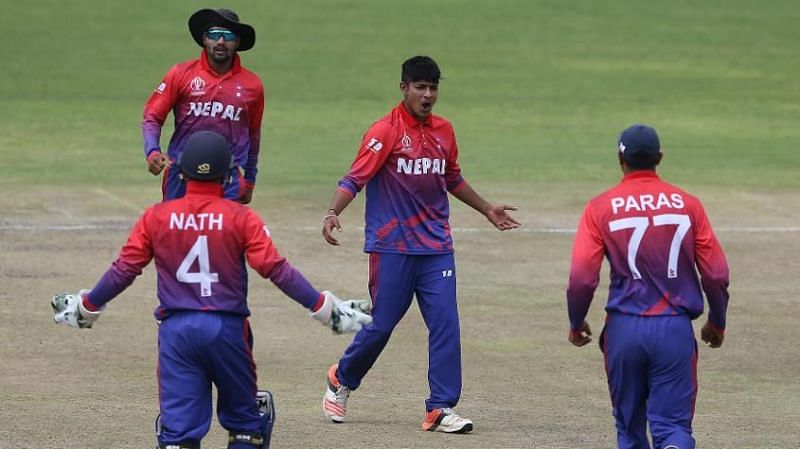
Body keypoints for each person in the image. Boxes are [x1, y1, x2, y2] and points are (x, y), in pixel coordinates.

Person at [51, 131, 372, 449]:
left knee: (178, 436)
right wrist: (325, 309)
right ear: (229, 174)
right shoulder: (241, 218)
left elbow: (124, 270)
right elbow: (276, 269)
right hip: (227, 331)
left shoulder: (156, 218)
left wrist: (86, 307)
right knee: (247, 427)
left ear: (180, 172)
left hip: (176, 334)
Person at [319, 55, 521, 434]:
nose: (428, 95)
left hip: (436, 247)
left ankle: (440, 407)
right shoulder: (385, 131)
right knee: (381, 325)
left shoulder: (444, 131)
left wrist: (486, 209)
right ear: (404, 89)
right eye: (420, 87)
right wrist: (332, 211)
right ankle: (341, 378)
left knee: (446, 323)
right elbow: (354, 179)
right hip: (392, 246)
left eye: (433, 88)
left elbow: (452, 178)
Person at [566, 124, 730, 449]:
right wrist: (717, 321)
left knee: (629, 430)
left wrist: (576, 322)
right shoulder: (688, 204)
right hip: (674, 330)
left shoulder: (600, 207)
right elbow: (716, 274)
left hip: (624, 330)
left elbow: (582, 277)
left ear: (619, 158)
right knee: (673, 428)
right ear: (659, 157)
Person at [142, 8, 264, 203]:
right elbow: (152, 116)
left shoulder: (253, 85)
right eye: (214, 34)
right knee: (178, 232)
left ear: (238, 42)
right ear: (205, 39)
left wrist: (249, 181)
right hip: (181, 173)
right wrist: (152, 151)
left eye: (228, 35)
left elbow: (253, 136)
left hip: (228, 176)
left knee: (223, 233)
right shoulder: (181, 74)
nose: (221, 41)